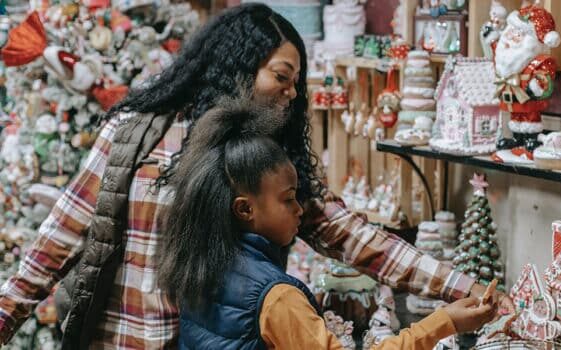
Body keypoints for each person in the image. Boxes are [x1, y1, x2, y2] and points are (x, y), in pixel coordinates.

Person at [0, 3, 512, 349]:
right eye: (281, 77)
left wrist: (463, 287)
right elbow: (56, 241)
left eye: (296, 83)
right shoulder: (136, 133)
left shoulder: (262, 164)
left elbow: (358, 238)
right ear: (237, 67)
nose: (291, 95)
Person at [161, 101, 497, 349]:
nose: (299, 211)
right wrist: (444, 322)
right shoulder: (276, 298)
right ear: (245, 209)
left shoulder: (199, 263)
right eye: (289, 198)